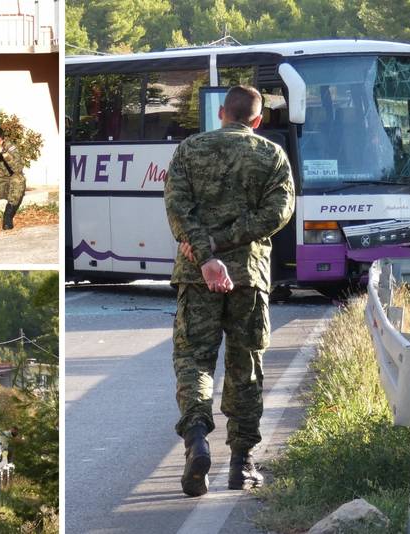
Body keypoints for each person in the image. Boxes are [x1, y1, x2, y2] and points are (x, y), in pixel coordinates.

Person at [164, 85, 295, 497]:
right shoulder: (271, 155)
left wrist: (205, 254)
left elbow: (176, 207)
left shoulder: (189, 149)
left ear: (221, 112)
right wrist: (226, 244)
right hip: (248, 279)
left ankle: (197, 438)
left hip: (196, 274)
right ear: (257, 120)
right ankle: (241, 464)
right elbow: (278, 212)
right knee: (246, 367)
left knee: (194, 360)